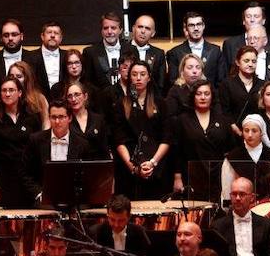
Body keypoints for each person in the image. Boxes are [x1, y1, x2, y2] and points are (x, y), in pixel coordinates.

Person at [113, 61, 170, 198]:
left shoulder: (160, 103)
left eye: (142, 74)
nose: (138, 78)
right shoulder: (121, 104)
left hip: (157, 168)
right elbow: (119, 140)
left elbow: (167, 138)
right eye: (134, 74)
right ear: (129, 77)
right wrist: (134, 168)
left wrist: (152, 163)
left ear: (149, 77)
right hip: (129, 170)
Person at [0, 76, 41, 207]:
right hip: (5, 176)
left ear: (20, 93)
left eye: (11, 90)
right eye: (4, 90)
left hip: (29, 176)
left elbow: (38, 150)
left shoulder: (32, 118)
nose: (7, 94)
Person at [172, 79, 235, 199]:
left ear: (212, 96)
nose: (203, 97)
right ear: (193, 96)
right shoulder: (182, 120)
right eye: (199, 94)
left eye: (207, 94)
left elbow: (230, 150)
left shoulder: (223, 120)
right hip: (191, 177)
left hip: (218, 177)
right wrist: (177, 178)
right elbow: (177, 152)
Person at [221, 114, 270, 203]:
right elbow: (227, 186)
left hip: (267, 207)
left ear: (261, 132)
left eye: (254, 131)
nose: (250, 135)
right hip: (241, 207)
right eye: (246, 130)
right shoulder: (233, 156)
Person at [210, 177, 270, 256]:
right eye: (234, 194)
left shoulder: (267, 224)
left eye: (242, 194)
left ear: (252, 197)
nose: (237, 198)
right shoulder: (217, 226)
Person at [166, 12, 226, 87]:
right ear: (186, 28)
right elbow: (173, 81)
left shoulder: (215, 51)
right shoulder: (174, 53)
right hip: (184, 97)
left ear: (203, 26)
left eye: (199, 24)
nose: (196, 28)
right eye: (191, 25)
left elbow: (221, 81)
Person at [221, 2, 270, 70]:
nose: (252, 20)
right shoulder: (230, 44)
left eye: (256, 16)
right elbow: (225, 73)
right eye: (248, 16)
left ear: (263, 20)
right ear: (243, 21)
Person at [218, 46, 264, 134]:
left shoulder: (262, 84)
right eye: (246, 61)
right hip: (232, 132)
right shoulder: (227, 84)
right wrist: (235, 128)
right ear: (238, 62)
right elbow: (224, 110)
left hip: (258, 132)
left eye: (254, 61)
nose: (250, 64)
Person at [64, 79, 111, 159]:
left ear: (85, 96)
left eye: (77, 94)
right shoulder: (65, 120)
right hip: (73, 166)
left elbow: (104, 149)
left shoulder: (98, 120)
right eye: (70, 96)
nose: (73, 99)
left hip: (96, 166)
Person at [81, 12, 129, 90]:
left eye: (113, 28)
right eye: (105, 28)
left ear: (120, 30)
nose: (109, 32)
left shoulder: (131, 49)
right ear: (101, 31)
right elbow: (87, 82)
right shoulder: (90, 52)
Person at [25, 22, 68, 99]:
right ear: (42, 36)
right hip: (38, 103)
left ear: (61, 38)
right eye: (49, 32)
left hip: (64, 102)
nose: (52, 35)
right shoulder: (30, 57)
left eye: (56, 33)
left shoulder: (67, 56)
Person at [127, 15, 167, 94]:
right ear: (133, 29)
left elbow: (161, 84)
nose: (143, 31)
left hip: (151, 99)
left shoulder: (159, 54)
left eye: (147, 28)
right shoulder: (123, 49)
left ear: (153, 33)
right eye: (140, 27)